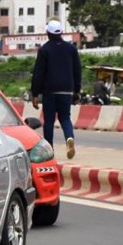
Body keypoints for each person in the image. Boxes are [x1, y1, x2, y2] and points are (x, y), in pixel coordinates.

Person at [30, 20, 82, 159]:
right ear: (61, 33)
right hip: (66, 89)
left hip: (50, 91)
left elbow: (38, 73)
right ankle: (69, 138)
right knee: (65, 117)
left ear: (48, 33)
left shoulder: (44, 50)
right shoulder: (71, 49)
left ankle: (50, 149)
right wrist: (77, 90)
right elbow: (77, 70)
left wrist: (35, 94)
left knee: (49, 121)